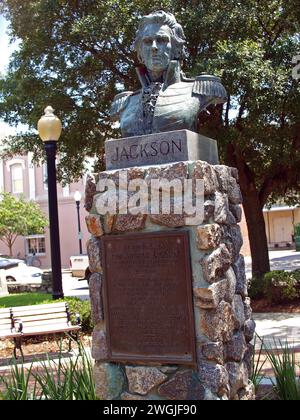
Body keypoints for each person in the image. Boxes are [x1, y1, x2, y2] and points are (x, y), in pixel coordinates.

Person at [110, 10, 227, 137]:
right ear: (140, 52)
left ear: (176, 48)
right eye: (148, 41)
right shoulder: (125, 102)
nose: (154, 47)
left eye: (161, 40)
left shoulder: (202, 90)